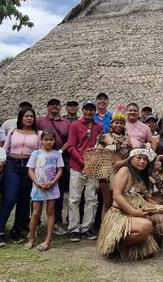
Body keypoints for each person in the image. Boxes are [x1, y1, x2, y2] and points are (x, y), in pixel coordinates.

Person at [97, 147, 160, 260]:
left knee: (159, 220)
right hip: (119, 214)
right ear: (131, 159)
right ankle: (121, 245)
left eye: (145, 159)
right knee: (147, 226)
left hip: (132, 214)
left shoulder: (140, 176)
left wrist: (157, 207)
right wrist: (134, 212)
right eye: (138, 158)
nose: (142, 161)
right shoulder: (124, 171)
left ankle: (135, 247)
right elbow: (116, 195)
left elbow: (144, 197)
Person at [0, 107, 38, 246]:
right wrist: (1, 165)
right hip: (12, 165)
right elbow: (4, 150)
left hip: (29, 166)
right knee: (10, 198)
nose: (29, 118)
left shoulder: (38, 134)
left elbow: (39, 153)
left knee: (24, 200)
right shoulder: (12, 132)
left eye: (31, 116)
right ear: (20, 118)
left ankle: (16, 230)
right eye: (26, 116)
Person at [67, 100, 103, 242]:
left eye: (92, 109)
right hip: (77, 166)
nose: (89, 112)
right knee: (74, 198)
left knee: (91, 199)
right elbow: (71, 146)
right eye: (86, 109)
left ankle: (87, 227)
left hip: (93, 168)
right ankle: (74, 228)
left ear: (95, 111)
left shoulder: (99, 126)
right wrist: (83, 162)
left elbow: (100, 144)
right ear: (82, 110)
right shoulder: (75, 125)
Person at [35, 98, 71, 235]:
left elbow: (70, 139)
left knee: (58, 192)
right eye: (51, 104)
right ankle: (36, 222)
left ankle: (56, 221)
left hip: (60, 158)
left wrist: (60, 151)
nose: (54, 107)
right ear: (47, 107)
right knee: (38, 192)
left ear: (60, 107)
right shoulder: (40, 121)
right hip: (42, 160)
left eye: (57, 104)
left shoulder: (66, 122)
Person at [24, 130, 64, 251]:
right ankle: (31, 238)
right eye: (46, 139)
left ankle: (48, 240)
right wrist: (37, 182)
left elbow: (60, 170)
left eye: (51, 140)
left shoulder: (57, 154)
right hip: (38, 187)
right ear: (41, 140)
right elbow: (30, 170)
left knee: (50, 213)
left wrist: (53, 182)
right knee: (35, 213)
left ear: (54, 141)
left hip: (52, 187)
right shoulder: (35, 154)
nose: (48, 142)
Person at [95, 106, 132, 220]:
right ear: (111, 123)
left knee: (118, 202)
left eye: (121, 123)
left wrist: (122, 162)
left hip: (122, 172)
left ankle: (116, 228)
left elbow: (132, 156)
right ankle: (104, 229)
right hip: (107, 172)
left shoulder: (127, 138)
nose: (119, 125)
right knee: (107, 203)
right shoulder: (104, 136)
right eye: (116, 122)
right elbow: (96, 153)